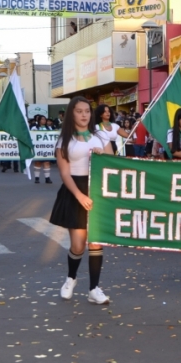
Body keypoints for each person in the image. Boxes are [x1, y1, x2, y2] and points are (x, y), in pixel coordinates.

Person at [50, 96, 111, 305]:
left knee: (95, 241)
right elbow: (64, 173)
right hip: (75, 191)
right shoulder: (64, 140)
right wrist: (79, 195)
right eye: (79, 111)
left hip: (98, 190)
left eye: (87, 111)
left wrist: (102, 156)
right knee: (78, 245)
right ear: (71, 114)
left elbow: (114, 164)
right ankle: (71, 278)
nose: (84, 115)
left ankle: (94, 289)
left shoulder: (100, 136)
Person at [30, 115, 53, 184]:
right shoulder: (34, 128)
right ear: (39, 120)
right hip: (38, 147)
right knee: (38, 162)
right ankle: (37, 178)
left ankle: (47, 178)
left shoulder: (49, 128)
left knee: (47, 162)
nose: (44, 121)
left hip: (47, 147)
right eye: (42, 119)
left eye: (45, 119)